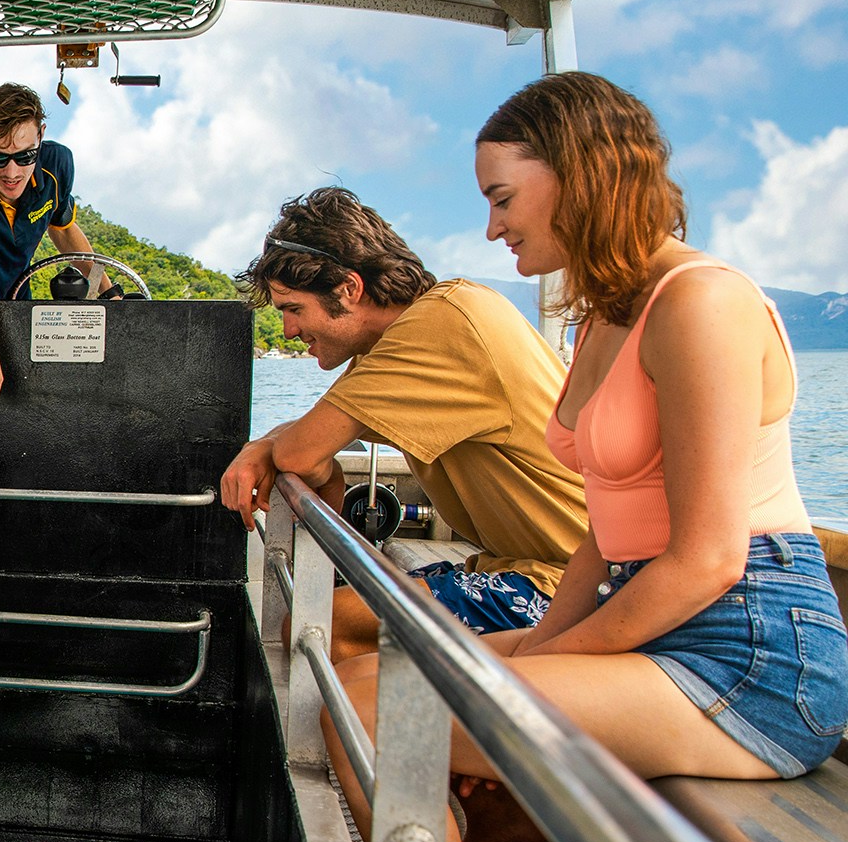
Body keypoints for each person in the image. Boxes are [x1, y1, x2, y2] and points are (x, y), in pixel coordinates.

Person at [326, 71, 848, 842]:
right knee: (364, 689)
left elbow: (710, 559)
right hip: (651, 622)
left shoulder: (702, 303)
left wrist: (546, 661)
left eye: (501, 198)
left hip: (753, 652)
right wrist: (537, 648)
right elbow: (605, 537)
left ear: (580, 172)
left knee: (380, 711)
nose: (493, 227)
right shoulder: (607, 317)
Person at [220, 187, 588, 665]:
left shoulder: (441, 327)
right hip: (521, 567)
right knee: (333, 611)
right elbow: (311, 432)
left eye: (293, 308)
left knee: (325, 627)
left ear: (349, 288)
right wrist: (263, 442)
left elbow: (301, 453)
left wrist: (269, 448)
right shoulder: (401, 340)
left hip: (570, 586)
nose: (289, 330)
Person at [0, 82, 120, 408]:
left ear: (40, 136)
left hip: (17, 308)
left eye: (24, 156)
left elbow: (65, 231)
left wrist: (107, 291)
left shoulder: (57, 165)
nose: (12, 172)